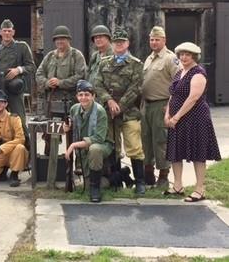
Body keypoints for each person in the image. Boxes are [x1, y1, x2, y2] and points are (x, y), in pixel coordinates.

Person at [163, 42, 221, 202]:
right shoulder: (180, 72)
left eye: (187, 54)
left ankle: (200, 189)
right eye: (181, 54)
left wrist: (176, 117)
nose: (184, 57)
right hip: (177, 119)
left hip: (196, 119)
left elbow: (193, 98)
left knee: (198, 153)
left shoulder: (198, 73)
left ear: (194, 56)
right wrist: (168, 114)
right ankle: (178, 186)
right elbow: (173, 95)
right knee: (175, 152)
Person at [94, 28, 146, 195]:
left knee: (134, 146)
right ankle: (115, 179)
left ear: (127, 43)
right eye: (116, 42)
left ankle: (140, 182)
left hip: (129, 112)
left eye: (122, 42)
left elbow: (135, 88)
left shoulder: (136, 64)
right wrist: (109, 101)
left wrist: (119, 105)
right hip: (109, 113)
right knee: (112, 146)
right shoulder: (104, 62)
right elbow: (97, 84)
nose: (119, 45)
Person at [141, 26, 179, 188]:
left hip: (162, 105)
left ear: (164, 40)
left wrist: (171, 108)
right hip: (147, 106)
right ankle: (148, 173)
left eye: (157, 39)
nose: (154, 42)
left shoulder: (170, 59)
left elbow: (178, 85)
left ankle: (163, 176)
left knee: (161, 141)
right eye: (151, 39)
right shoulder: (149, 58)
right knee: (146, 140)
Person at [63, 80, 112, 202]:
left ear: (93, 96)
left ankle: (95, 189)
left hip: (102, 144)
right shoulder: (74, 109)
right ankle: (100, 181)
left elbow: (99, 138)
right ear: (77, 96)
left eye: (87, 94)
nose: (83, 98)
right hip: (84, 147)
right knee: (87, 180)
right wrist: (67, 127)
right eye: (80, 95)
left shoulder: (99, 111)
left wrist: (74, 145)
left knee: (94, 149)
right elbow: (72, 127)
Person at [0, 19, 35, 139]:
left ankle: (26, 148)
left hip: (14, 88)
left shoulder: (22, 47)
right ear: (0, 32)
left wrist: (18, 70)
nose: (7, 33)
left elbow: (31, 66)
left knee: (18, 118)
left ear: (13, 32)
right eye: (5, 31)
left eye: (9, 31)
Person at [36, 25, 86, 109]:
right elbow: (38, 74)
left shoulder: (76, 55)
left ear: (69, 40)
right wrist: (47, 83)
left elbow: (81, 76)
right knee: (51, 122)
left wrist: (60, 82)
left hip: (71, 100)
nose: (59, 41)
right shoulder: (50, 56)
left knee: (70, 122)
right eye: (57, 39)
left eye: (62, 39)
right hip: (51, 100)